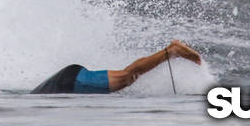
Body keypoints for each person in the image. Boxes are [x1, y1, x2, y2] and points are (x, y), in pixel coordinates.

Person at [31, 40, 202, 94]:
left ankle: (172, 51)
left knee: (126, 77)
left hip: (70, 83)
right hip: (69, 78)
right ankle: (170, 51)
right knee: (126, 76)